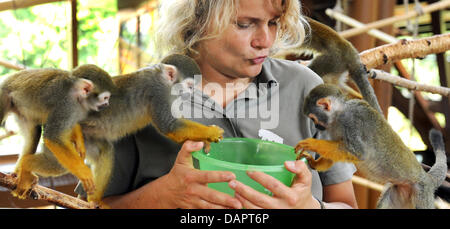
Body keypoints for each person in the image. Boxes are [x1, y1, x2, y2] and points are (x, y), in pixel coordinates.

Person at [97, 0, 358, 209]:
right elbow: (91, 204)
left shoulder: (306, 88)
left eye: (274, 22)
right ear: (197, 20)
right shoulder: (137, 98)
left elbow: (347, 204)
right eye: (245, 24)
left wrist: (311, 208)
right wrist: (163, 197)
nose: (265, 41)